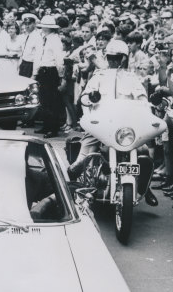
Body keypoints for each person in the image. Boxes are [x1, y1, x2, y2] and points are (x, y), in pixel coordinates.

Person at [67, 40, 158, 207]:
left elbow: (142, 99)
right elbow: (85, 98)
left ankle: (145, 188)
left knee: (144, 153)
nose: (114, 61)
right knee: (80, 161)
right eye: (110, 57)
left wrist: (145, 112)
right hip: (101, 126)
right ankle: (78, 190)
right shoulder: (98, 76)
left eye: (117, 58)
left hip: (126, 128)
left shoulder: (131, 77)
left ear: (124, 58)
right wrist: (90, 101)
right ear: (106, 58)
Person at [33, 15, 64, 138]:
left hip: (51, 71)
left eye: (45, 27)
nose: (43, 29)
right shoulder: (43, 39)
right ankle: (46, 125)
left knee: (51, 101)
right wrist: (36, 72)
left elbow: (59, 59)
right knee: (44, 101)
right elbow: (38, 57)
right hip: (43, 71)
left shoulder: (55, 40)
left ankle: (53, 128)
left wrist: (60, 75)